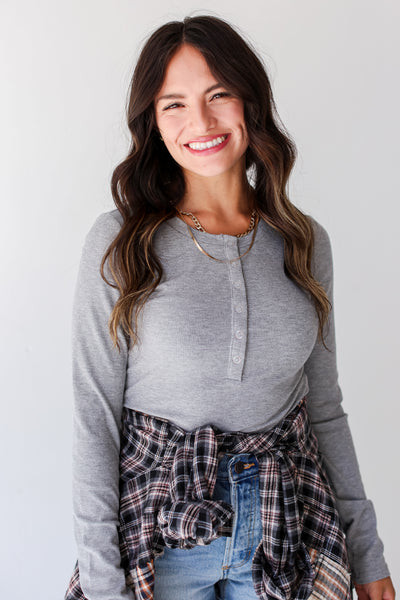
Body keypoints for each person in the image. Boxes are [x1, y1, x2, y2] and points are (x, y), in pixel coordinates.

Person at [64, 15, 395, 600]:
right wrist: (101, 583)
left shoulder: (303, 241)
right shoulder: (119, 240)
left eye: (219, 95)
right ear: (153, 122)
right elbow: (95, 419)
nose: (201, 121)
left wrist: (367, 552)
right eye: (174, 104)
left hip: (286, 529)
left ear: (250, 102)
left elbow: (324, 409)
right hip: (158, 540)